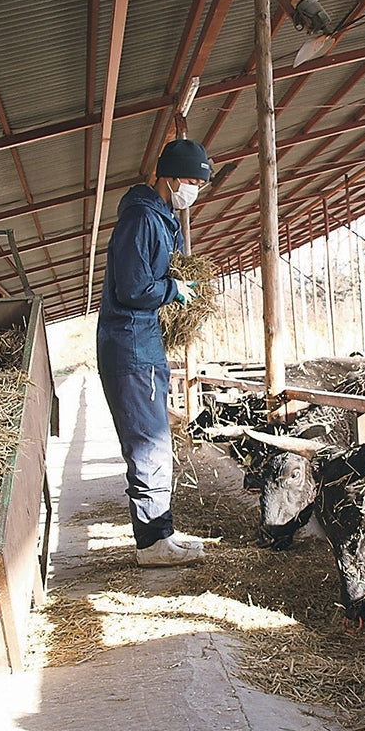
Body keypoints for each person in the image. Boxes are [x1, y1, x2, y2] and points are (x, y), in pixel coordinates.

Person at [96, 138, 212, 566]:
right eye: (191, 181)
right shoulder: (142, 219)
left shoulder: (161, 219)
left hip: (143, 343)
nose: (194, 189)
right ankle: (151, 545)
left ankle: (161, 532)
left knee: (157, 443)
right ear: (170, 177)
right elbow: (132, 287)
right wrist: (172, 288)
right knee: (149, 444)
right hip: (129, 344)